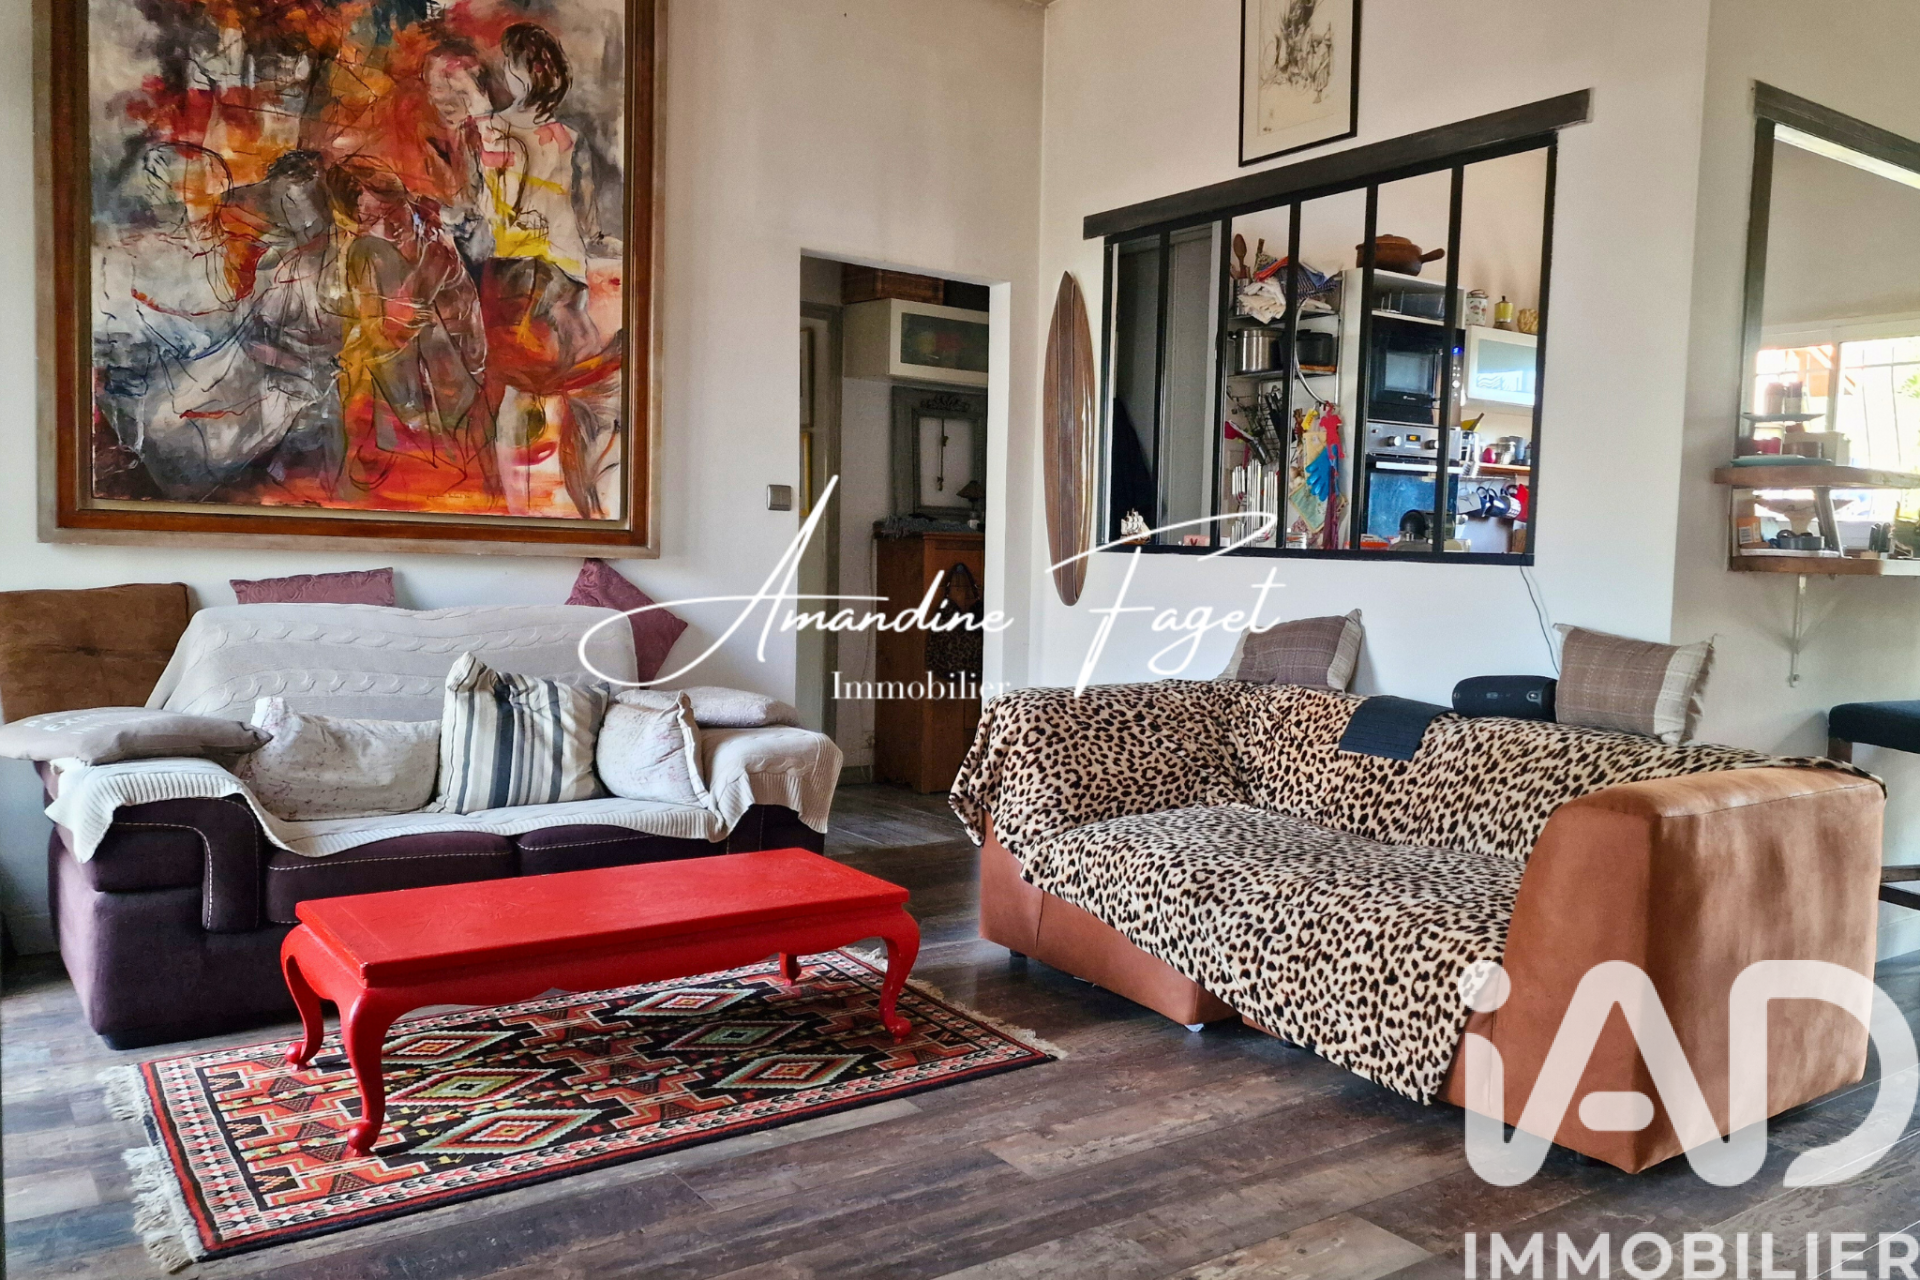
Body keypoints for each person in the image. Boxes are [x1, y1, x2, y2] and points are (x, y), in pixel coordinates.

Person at [470, 22, 623, 520]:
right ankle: (548, 496)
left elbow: (499, 208)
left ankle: (538, 495)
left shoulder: (501, 130)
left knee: (530, 382)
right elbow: (581, 214)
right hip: (547, 267)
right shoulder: (544, 134)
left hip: (533, 267)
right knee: (545, 382)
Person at [318, 156, 494, 508]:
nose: (388, 226)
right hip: (404, 383)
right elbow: (380, 325)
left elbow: (453, 311)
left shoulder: (433, 235)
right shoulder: (367, 251)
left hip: (457, 367)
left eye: (391, 211)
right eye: (370, 220)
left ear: (404, 201)